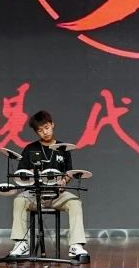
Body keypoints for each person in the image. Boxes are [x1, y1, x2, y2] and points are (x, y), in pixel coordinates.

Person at [7, 110, 88, 259]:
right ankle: (21, 244)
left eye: (46, 127)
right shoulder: (30, 149)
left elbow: (69, 172)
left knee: (75, 202)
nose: (45, 132)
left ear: (52, 125)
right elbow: (20, 174)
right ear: (36, 132)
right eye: (40, 130)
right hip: (34, 194)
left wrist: (64, 181)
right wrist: (30, 173)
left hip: (57, 194)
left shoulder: (63, 148)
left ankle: (76, 245)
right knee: (19, 200)